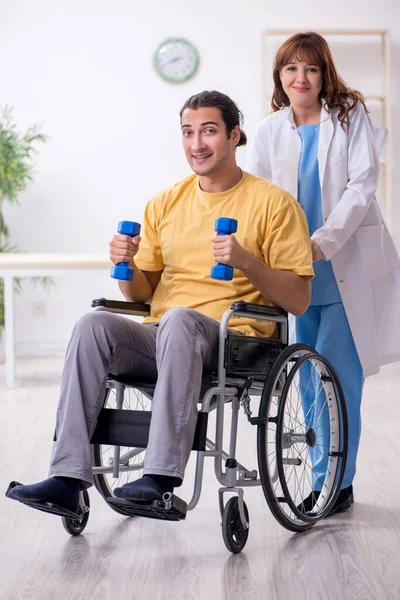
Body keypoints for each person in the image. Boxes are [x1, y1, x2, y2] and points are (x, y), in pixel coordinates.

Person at [6, 90, 315, 516]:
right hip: (165, 335)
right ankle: (67, 478)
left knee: (181, 321)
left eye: (208, 131)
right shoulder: (166, 202)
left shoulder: (274, 204)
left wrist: (246, 261)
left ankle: (162, 478)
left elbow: (298, 300)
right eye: (188, 132)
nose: (196, 144)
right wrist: (127, 264)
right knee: (92, 324)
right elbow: (142, 294)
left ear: (234, 135)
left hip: (236, 341)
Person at [246, 32, 400, 515]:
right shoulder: (271, 129)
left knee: (339, 377)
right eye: (291, 69)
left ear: (324, 73)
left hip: (343, 265)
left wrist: (320, 243)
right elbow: (260, 198)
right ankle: (322, 476)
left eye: (310, 69)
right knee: (307, 380)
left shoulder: (350, 118)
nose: (300, 78)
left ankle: (337, 482)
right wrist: (280, 253)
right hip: (294, 275)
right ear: (280, 76)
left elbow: (361, 187)